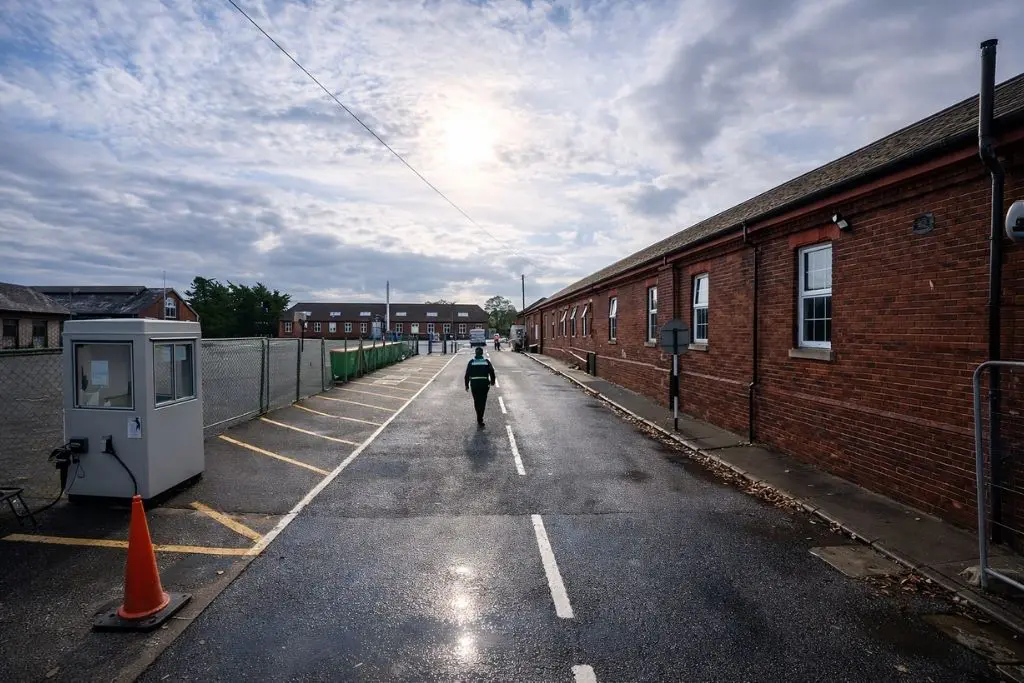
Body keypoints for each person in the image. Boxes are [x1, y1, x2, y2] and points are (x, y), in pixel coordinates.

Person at [464, 346, 496, 426]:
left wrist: (466, 385)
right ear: (482, 353)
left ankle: (478, 416)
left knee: (476, 401)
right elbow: (492, 371)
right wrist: (492, 381)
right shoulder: (486, 362)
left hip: (474, 385)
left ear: (475, 353)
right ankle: (480, 418)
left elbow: (467, 375)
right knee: (483, 401)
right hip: (484, 384)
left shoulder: (471, 362)